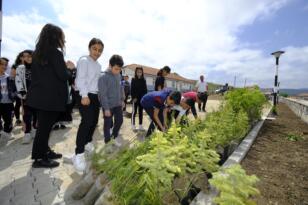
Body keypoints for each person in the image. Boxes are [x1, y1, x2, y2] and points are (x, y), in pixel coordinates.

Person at [26, 23, 70, 168]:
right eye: (61, 37)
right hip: (49, 99)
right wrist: (69, 70)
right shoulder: (56, 53)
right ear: (55, 37)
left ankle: (45, 150)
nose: (62, 40)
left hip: (39, 97)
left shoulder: (37, 53)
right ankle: (39, 158)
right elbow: (63, 76)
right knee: (44, 129)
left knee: (44, 127)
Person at [73, 38, 104, 172]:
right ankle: (78, 154)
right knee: (86, 122)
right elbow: (81, 78)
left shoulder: (98, 65)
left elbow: (97, 82)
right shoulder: (84, 60)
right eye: (95, 49)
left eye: (100, 50)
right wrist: (84, 95)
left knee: (94, 122)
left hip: (94, 95)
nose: (97, 52)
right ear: (89, 48)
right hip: (84, 94)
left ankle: (87, 142)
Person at [98, 54, 124, 146]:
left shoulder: (118, 76)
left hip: (117, 104)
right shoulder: (103, 77)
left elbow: (120, 88)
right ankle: (107, 142)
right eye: (116, 69)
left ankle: (113, 137)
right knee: (107, 124)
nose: (118, 71)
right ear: (110, 65)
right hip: (108, 105)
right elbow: (102, 95)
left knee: (120, 121)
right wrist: (106, 108)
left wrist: (122, 99)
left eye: (120, 69)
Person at [15, 49, 38, 144]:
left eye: (29, 56)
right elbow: (18, 80)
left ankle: (34, 129)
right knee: (27, 115)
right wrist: (22, 92)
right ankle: (27, 133)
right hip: (26, 95)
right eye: (24, 56)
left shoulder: (38, 67)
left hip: (37, 95)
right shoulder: (20, 68)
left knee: (36, 113)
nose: (26, 58)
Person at [0, 58, 16, 141]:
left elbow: (14, 89)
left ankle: (7, 132)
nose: (4, 66)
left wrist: (13, 95)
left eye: (5, 65)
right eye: (2, 64)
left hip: (8, 103)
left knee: (8, 119)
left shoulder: (9, 78)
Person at [130, 66, 147, 131]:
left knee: (140, 112)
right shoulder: (133, 79)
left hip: (141, 99)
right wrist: (133, 97)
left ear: (142, 72)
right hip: (135, 99)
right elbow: (132, 89)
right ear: (136, 72)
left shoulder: (144, 80)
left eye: (140, 72)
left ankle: (140, 125)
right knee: (134, 112)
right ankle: (133, 125)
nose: (139, 73)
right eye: (138, 72)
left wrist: (144, 98)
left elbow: (145, 90)